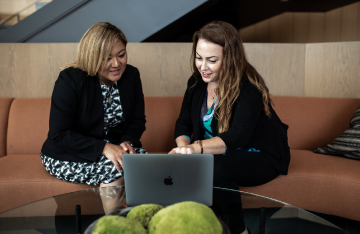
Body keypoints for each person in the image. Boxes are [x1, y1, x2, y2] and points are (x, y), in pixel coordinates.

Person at [169, 21, 290, 234]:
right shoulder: (196, 82)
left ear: (230, 58)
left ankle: (238, 231)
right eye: (199, 57)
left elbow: (239, 135)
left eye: (212, 60)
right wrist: (182, 148)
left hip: (260, 155)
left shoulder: (248, 87)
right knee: (205, 167)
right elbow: (183, 122)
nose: (202, 66)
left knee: (215, 168)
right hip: (214, 153)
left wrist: (195, 148)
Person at [40, 22, 146, 191]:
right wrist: (104, 148)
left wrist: (127, 141)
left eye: (121, 55)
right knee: (116, 168)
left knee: (144, 163)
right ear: (92, 57)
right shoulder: (70, 80)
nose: (117, 64)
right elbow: (59, 134)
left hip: (113, 148)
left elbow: (137, 120)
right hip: (69, 153)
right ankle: (113, 218)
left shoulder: (132, 75)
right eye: (107, 58)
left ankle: (139, 216)